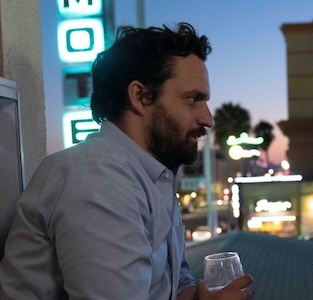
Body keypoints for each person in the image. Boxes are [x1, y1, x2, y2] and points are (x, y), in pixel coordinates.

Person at [0, 23, 253, 300]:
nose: (208, 118)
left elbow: (171, 286)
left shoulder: (152, 174)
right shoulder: (97, 179)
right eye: (193, 99)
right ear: (140, 96)